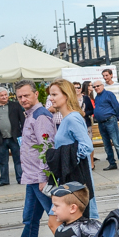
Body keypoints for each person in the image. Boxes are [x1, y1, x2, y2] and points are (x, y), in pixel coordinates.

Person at [2, 80, 57, 237]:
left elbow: (46, 147)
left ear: (36, 94)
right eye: (20, 97)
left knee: (58, 220)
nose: (23, 99)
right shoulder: (31, 115)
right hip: (31, 177)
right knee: (30, 221)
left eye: (26, 95)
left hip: (39, 179)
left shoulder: (40, 116)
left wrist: (44, 178)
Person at [48, 79, 98, 220]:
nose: (51, 98)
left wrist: (68, 160)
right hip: (71, 178)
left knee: (66, 222)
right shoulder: (67, 118)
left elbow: (87, 145)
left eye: (54, 94)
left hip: (76, 178)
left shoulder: (72, 118)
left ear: (66, 95)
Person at [0, 87, 25, 187]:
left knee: (18, 159)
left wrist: (23, 133)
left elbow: (22, 119)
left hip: (14, 137)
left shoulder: (15, 105)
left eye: (6, 95)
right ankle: (4, 180)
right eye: (2, 95)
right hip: (0, 138)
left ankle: (20, 178)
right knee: (2, 161)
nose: (4, 97)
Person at [93, 78, 119, 171]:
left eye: (98, 86)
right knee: (107, 145)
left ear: (102, 86)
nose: (96, 88)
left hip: (110, 121)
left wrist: (115, 117)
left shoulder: (109, 94)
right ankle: (112, 163)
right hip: (101, 123)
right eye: (94, 87)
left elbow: (117, 107)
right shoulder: (97, 97)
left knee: (116, 143)